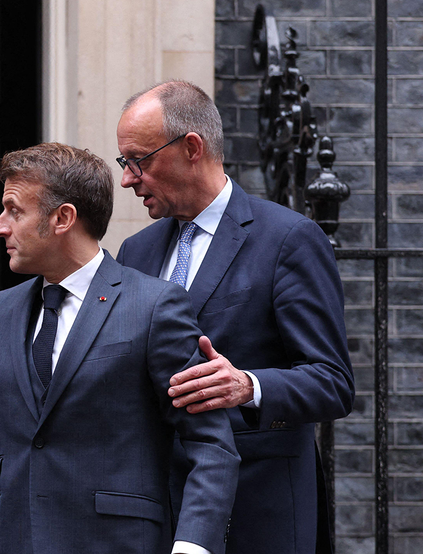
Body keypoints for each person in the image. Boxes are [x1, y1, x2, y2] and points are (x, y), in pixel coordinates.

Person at [0, 143, 240, 554]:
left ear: (62, 218)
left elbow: (210, 446)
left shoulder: (154, 306)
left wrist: (193, 546)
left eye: (14, 210)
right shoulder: (0, 311)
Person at [114, 80, 355, 554]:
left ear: (191, 148)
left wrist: (248, 385)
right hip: (157, 513)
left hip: (256, 510)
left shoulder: (287, 239)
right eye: (126, 163)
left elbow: (333, 383)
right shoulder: (135, 251)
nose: (128, 178)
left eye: (138, 160)